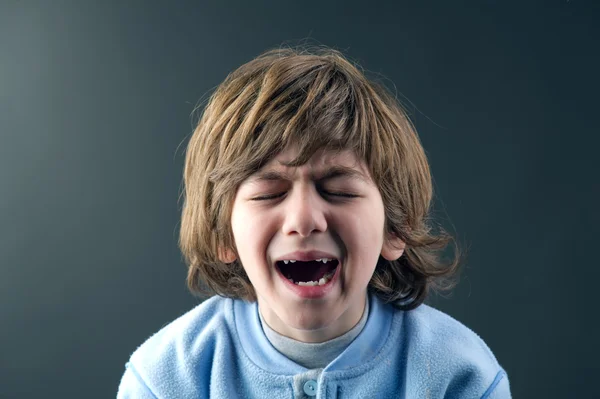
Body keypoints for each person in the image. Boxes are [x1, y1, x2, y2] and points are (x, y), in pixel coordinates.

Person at [117, 46, 511, 398]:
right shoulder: (166, 380)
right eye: (269, 193)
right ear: (224, 234)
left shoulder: (458, 376)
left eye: (338, 190)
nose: (304, 219)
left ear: (396, 227)